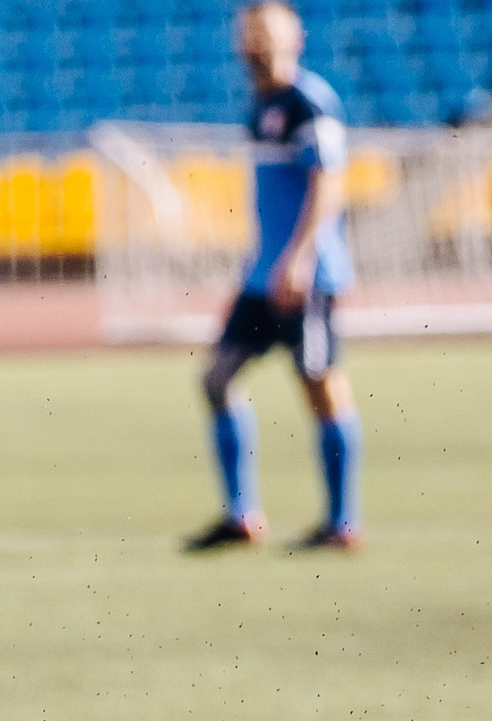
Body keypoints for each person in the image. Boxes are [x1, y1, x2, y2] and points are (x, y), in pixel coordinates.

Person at [184, 1, 365, 554]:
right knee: (217, 380)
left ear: (295, 39)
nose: (255, 43)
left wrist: (302, 255)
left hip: (304, 277)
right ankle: (242, 515)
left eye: (266, 33)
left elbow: (328, 182)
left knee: (321, 388)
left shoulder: (309, 102)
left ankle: (342, 523)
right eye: (249, 33)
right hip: (263, 278)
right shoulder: (260, 106)